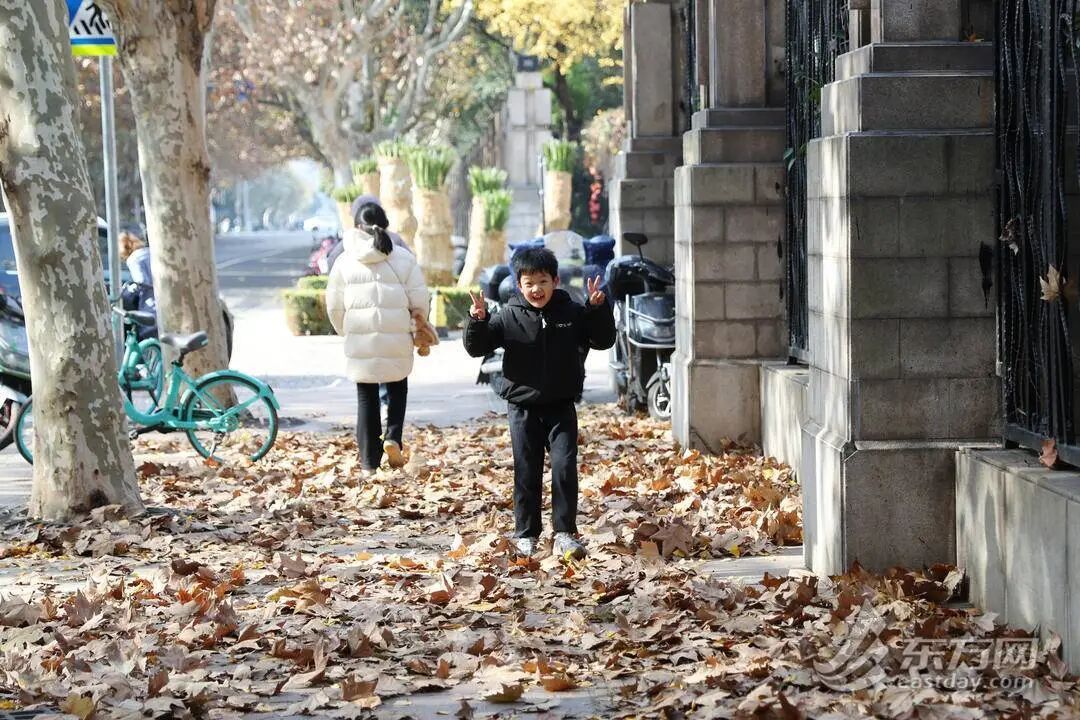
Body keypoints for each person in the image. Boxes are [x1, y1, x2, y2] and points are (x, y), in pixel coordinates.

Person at [463, 247, 615, 559]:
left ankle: (564, 533)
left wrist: (598, 309)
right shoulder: (508, 316)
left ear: (556, 281)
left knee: (563, 468)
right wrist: (477, 320)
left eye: (543, 281)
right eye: (529, 283)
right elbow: (477, 348)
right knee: (526, 471)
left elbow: (603, 340)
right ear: (519, 285)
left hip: (561, 406)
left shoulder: (570, 312)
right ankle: (526, 534)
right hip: (522, 409)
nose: (537, 289)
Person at [326, 202, 430, 474]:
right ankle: (393, 436)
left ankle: (369, 464)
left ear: (357, 226)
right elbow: (420, 299)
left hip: (360, 339)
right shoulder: (404, 259)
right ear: (385, 225)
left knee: (366, 398)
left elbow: (334, 306)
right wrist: (416, 323)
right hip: (396, 336)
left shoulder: (344, 261)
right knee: (397, 388)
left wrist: (345, 330)